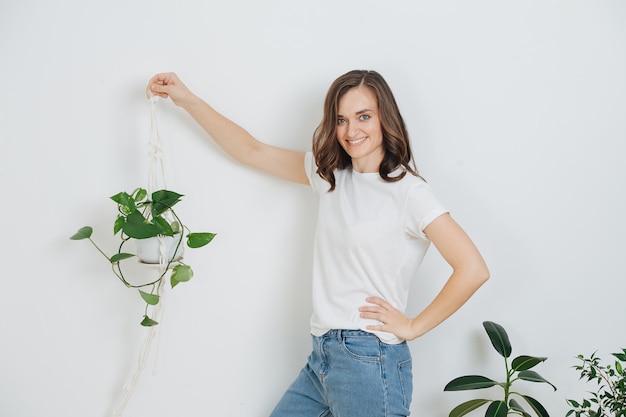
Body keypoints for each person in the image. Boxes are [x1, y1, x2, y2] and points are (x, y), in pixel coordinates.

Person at [147, 70, 489, 417]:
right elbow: (251, 151)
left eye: (364, 117)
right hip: (322, 356)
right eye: (341, 119)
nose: (351, 131)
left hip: (369, 360)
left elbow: (473, 269)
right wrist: (187, 99)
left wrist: (413, 326)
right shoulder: (329, 175)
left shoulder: (409, 192)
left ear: (386, 117)